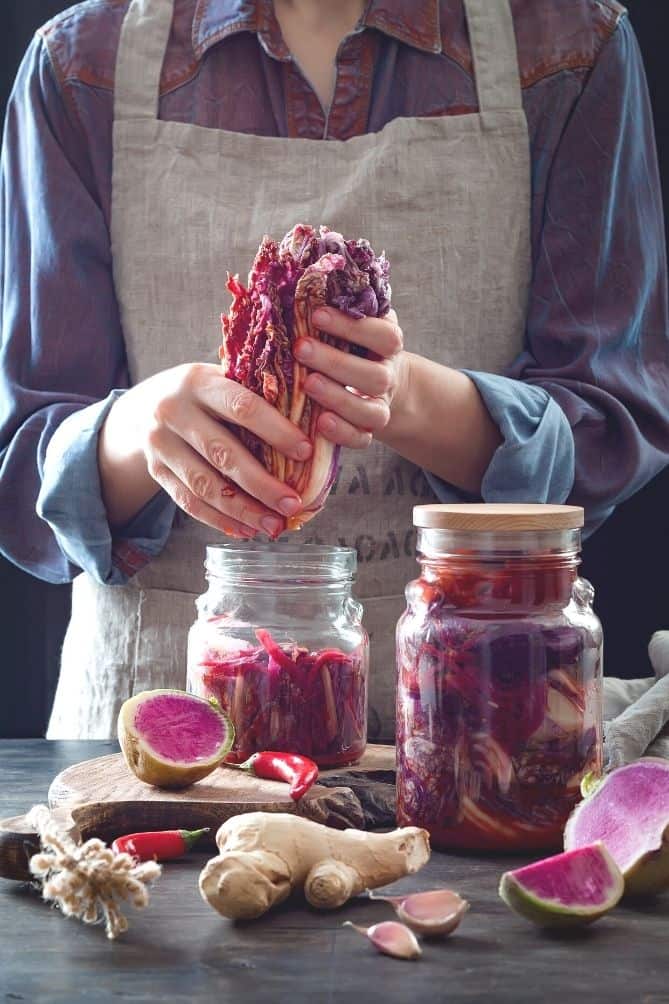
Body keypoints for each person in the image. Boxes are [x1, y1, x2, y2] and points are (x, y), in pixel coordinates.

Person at [0, 0, 667, 740]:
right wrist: (137, 431)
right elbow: (25, 464)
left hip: (471, 718)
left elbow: (614, 424)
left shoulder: (569, 44)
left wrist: (405, 399)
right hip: (155, 710)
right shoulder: (80, 61)